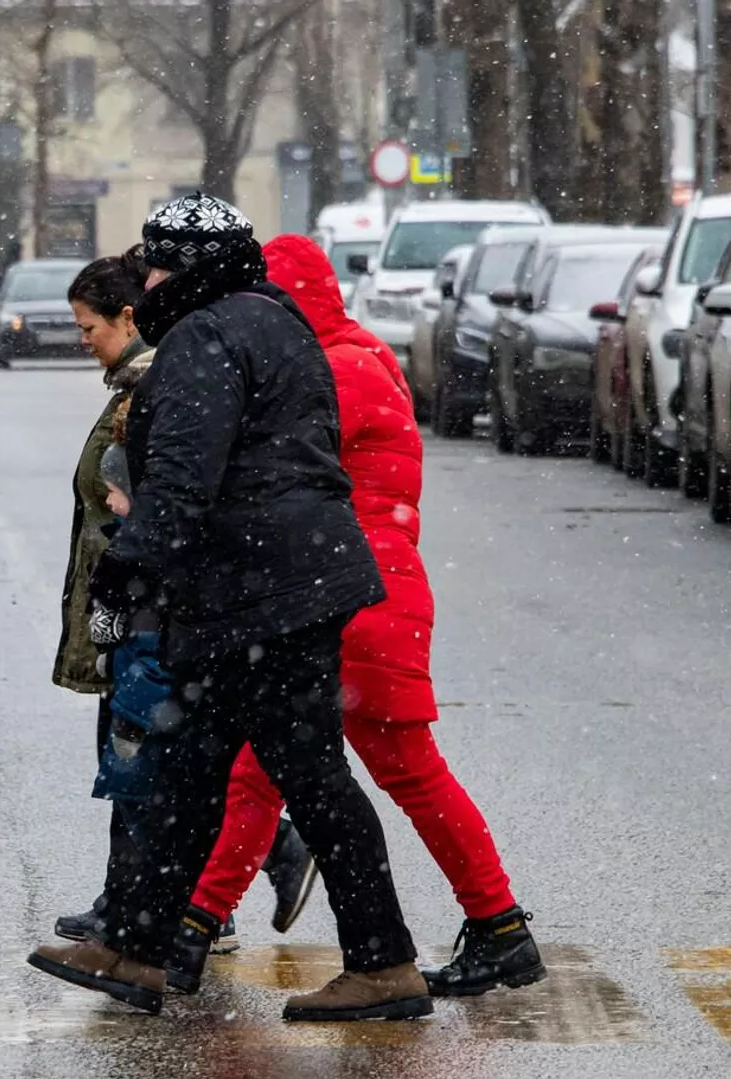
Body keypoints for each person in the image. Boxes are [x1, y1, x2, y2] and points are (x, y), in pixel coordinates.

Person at [27, 194, 430, 1023]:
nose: (153, 279)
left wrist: (126, 572)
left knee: (310, 781)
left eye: (163, 263)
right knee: (189, 774)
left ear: (193, 266)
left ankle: (384, 963)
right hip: (281, 586)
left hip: (258, 598)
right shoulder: (275, 319)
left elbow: (181, 480)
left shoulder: (206, 338)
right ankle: (138, 950)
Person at [169, 235, 544, 998]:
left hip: (347, 593)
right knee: (285, 769)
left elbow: (256, 458)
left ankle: (497, 926)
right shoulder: (357, 354)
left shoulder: (328, 368)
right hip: (370, 590)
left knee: (368, 771)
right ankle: (193, 928)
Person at [50, 251, 315, 960]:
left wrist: (130, 550)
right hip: (139, 597)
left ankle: (174, 907)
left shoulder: (155, 382)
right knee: (152, 760)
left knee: (151, 761)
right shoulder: (143, 379)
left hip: (151, 604)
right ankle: (151, 904)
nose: (83, 340)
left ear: (127, 317)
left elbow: (163, 499)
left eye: (88, 326)